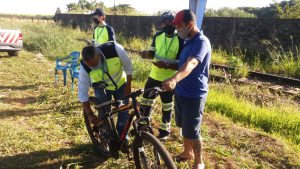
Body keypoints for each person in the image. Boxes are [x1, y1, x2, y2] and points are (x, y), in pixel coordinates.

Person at [162, 9, 211, 169]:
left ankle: (199, 162)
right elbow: (183, 62)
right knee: (183, 126)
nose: (177, 29)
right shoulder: (187, 41)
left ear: (189, 25)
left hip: (194, 95)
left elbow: (192, 64)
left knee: (193, 131)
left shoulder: (201, 42)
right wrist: (169, 66)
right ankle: (187, 152)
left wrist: (174, 79)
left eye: (179, 26)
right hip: (181, 92)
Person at [140, 12, 184, 140]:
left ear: (174, 22)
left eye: (170, 21)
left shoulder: (181, 40)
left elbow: (181, 64)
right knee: (146, 101)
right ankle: (143, 126)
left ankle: (164, 132)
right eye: (165, 22)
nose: (167, 24)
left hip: (169, 79)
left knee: (167, 105)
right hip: (154, 75)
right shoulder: (158, 36)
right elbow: (152, 54)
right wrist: (146, 54)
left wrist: (166, 65)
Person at [78, 41, 133, 134]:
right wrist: (90, 114)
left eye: (95, 64)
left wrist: (128, 86)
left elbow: (128, 67)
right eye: (90, 65)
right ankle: (105, 135)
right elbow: (82, 92)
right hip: (101, 88)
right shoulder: (84, 67)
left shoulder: (114, 49)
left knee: (124, 111)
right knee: (103, 113)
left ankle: (122, 136)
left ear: (99, 55)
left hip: (120, 83)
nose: (93, 67)